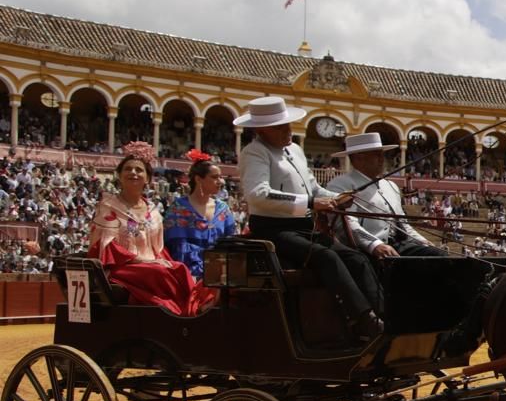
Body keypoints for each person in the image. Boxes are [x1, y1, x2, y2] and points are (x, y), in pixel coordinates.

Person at [235, 95, 384, 339]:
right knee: (326, 257)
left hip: (303, 226)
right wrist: (312, 203)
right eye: (280, 127)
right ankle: (363, 319)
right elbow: (258, 194)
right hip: (273, 229)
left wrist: (337, 198)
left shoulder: (295, 150)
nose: (288, 130)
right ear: (261, 130)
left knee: (356, 258)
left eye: (287, 124)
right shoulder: (254, 152)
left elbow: (313, 188)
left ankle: (381, 313)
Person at [88, 142, 215, 317]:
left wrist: (163, 262)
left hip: (150, 265)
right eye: (128, 169)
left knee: (179, 268)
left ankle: (193, 310)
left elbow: (158, 249)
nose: (133, 172)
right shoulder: (108, 207)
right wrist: (146, 261)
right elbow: (107, 247)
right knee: (159, 272)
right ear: (119, 175)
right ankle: (180, 312)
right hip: (122, 268)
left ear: (147, 178)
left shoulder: (153, 212)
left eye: (139, 170)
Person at [327, 133, 446, 259]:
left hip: (399, 245)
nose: (382, 159)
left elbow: (403, 224)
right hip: (365, 250)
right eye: (377, 155)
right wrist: (374, 245)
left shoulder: (391, 186)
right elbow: (347, 224)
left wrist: (422, 241)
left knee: (439, 256)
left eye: (382, 155)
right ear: (359, 158)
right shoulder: (340, 184)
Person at [164, 149, 237, 279]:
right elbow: (176, 247)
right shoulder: (178, 208)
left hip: (219, 274)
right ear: (198, 179)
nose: (221, 182)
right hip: (186, 274)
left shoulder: (223, 209)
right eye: (214, 177)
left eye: (221, 177)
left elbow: (231, 243)